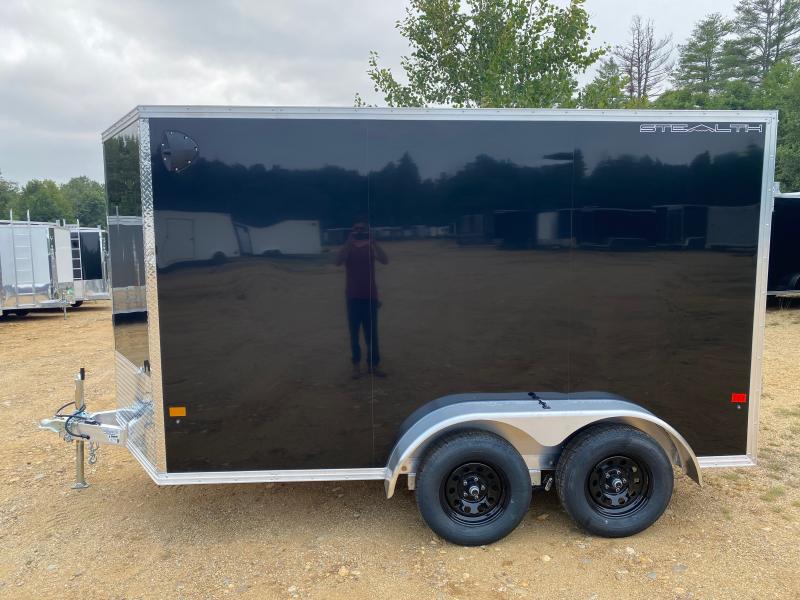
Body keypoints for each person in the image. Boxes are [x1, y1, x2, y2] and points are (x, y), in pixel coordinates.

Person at [335, 219, 389, 379]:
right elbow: (337, 262)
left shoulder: (371, 248)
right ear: (351, 231)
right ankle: (356, 366)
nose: (359, 231)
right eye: (356, 229)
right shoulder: (349, 247)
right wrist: (348, 242)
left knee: (372, 334)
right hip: (352, 297)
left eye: (362, 229)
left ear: (367, 230)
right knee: (354, 334)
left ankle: (373, 365)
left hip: (370, 296)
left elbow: (385, 260)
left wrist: (375, 242)